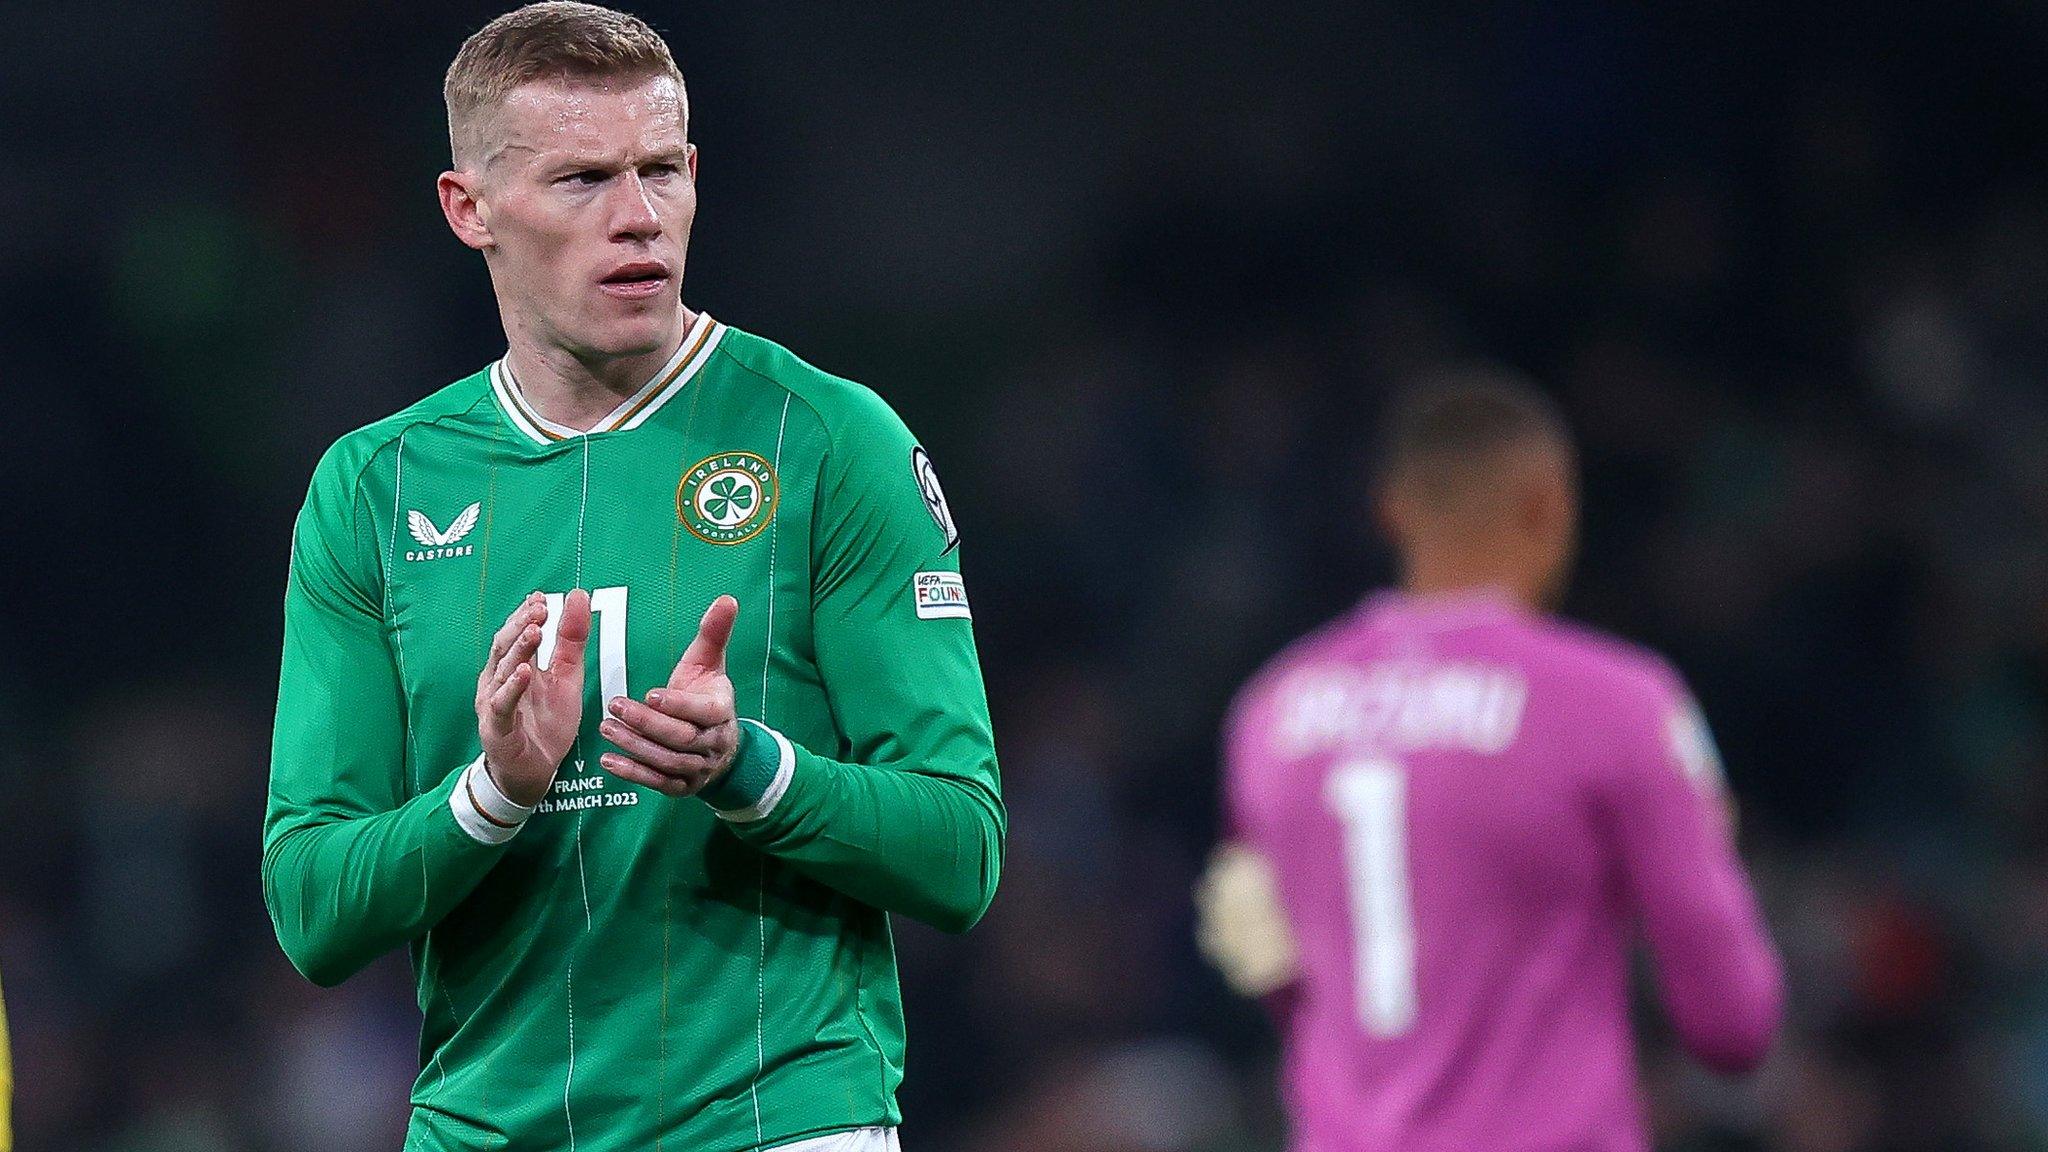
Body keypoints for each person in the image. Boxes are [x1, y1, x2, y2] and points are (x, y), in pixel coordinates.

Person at [260, 5, 1003, 1150]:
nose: (639, 218)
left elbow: (962, 851)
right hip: (482, 1129)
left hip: (774, 1119)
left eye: (661, 169)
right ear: (470, 210)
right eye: (581, 180)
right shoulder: (373, 486)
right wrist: (492, 793)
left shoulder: (826, 440)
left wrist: (748, 766)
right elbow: (312, 910)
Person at [1198, 369, 1783, 1151]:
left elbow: (1270, 966)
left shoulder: (1268, 714)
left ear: (1390, 513)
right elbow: (1733, 1024)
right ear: (1549, 505)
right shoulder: (1619, 705)